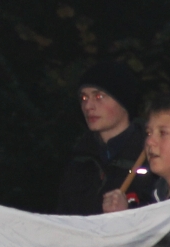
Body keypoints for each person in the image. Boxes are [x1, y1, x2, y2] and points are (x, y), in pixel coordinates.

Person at [56, 60, 146, 215]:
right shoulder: (79, 160)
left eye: (98, 96)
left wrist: (128, 212)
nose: (88, 106)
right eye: (84, 98)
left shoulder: (149, 155)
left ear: (123, 101)